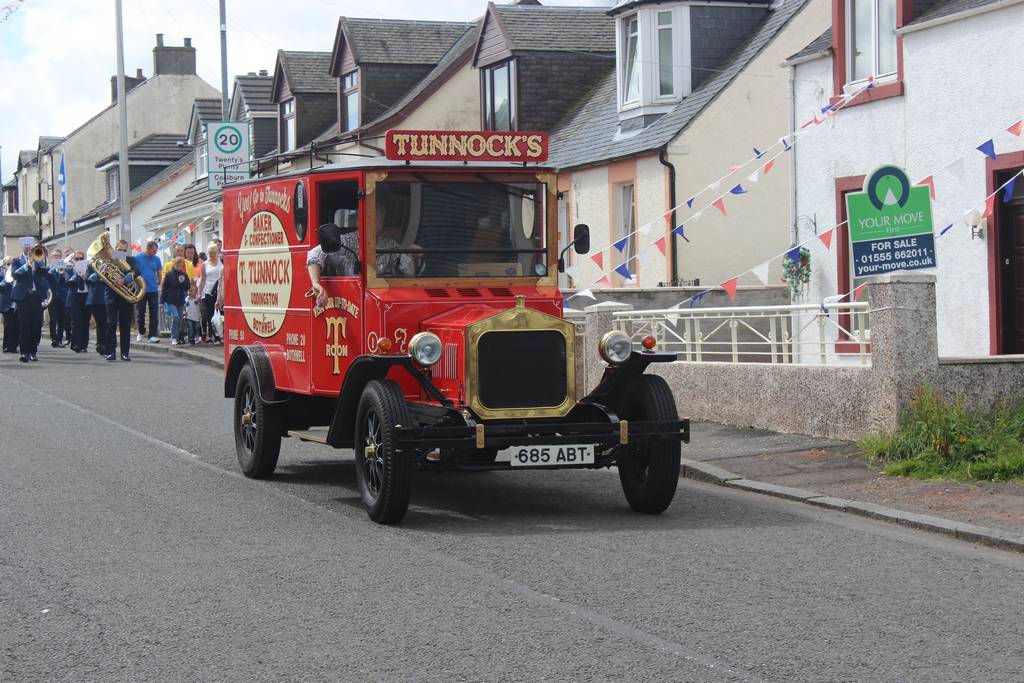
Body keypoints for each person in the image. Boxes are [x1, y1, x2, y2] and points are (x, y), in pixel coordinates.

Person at [307, 211, 360, 307]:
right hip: (350, 299)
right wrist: (316, 283)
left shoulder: (388, 242)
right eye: (371, 216)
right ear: (359, 220)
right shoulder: (349, 240)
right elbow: (315, 254)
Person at [10, 241, 50, 363]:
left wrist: (39, 262)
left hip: (36, 296)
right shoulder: (17, 260)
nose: (28, 248)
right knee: (24, 324)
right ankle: (24, 352)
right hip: (23, 296)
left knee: (36, 325)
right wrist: (26, 266)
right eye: (26, 246)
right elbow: (14, 275)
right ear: (23, 247)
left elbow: (45, 274)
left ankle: (33, 352)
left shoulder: (38, 260)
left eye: (30, 246)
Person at [103, 239, 138, 361]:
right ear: (115, 249)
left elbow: (136, 271)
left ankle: (125, 353)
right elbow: (101, 276)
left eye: (124, 251)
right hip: (111, 295)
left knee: (125, 325)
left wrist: (125, 279)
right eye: (119, 250)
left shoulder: (131, 260)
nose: (121, 252)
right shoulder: (108, 260)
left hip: (126, 296)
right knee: (111, 324)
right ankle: (110, 352)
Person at [135, 240, 163, 343]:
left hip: (153, 289)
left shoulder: (157, 259)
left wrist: (159, 281)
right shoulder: (138, 258)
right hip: (141, 289)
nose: (155, 252)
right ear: (148, 248)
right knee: (140, 312)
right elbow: (133, 271)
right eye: (154, 250)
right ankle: (141, 331)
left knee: (154, 313)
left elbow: (159, 271)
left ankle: (152, 335)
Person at [160, 257, 190, 346]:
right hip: (171, 299)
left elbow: (187, 287)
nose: (179, 267)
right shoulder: (169, 274)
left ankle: (175, 336)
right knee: (176, 317)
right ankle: (174, 337)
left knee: (179, 319)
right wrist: (162, 301)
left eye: (181, 266)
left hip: (180, 299)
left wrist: (183, 282)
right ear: (174, 264)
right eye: (178, 265)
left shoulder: (184, 275)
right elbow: (164, 288)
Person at [197, 243, 223, 343]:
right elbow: (203, 280)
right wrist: (199, 293)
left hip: (220, 291)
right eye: (210, 253)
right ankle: (215, 336)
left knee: (221, 314)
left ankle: (221, 335)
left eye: (214, 253)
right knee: (211, 315)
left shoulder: (221, 262)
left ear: (217, 252)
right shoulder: (205, 264)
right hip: (209, 292)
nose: (212, 255)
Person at [65, 252, 89, 353]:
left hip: (86, 296)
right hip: (75, 297)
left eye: (81, 258)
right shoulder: (69, 269)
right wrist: (76, 273)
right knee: (76, 321)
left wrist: (84, 276)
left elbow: (91, 281)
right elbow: (68, 281)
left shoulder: (88, 268)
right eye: (77, 259)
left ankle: (84, 345)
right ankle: (75, 344)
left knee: (85, 322)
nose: (79, 260)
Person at [47, 249, 68, 347]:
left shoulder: (65, 268)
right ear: (52, 258)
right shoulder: (48, 269)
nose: (56, 258)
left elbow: (67, 280)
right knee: (53, 319)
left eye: (58, 256)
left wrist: (63, 272)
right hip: (52, 297)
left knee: (61, 319)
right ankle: (54, 339)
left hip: (62, 297)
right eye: (54, 256)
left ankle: (59, 339)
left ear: (61, 257)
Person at [0, 257, 18, 355]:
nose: (8, 266)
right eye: (7, 264)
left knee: (16, 325)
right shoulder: (1, 274)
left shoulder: (15, 273)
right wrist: (6, 281)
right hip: (6, 303)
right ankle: (6, 346)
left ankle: (14, 346)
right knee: (8, 325)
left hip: (16, 303)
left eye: (10, 264)